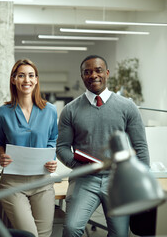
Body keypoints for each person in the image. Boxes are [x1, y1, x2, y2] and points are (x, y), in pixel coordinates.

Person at [56, 55, 150, 237]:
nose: (93, 75)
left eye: (98, 70)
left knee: (120, 233)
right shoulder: (70, 110)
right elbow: (62, 147)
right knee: (72, 228)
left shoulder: (128, 107)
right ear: (82, 76)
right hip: (84, 180)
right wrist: (80, 167)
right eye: (87, 72)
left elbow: (140, 147)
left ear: (107, 73)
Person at [0, 59, 58, 237]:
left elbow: (53, 139)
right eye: (21, 75)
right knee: (28, 235)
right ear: (13, 80)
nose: (26, 80)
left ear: (36, 79)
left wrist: (52, 159)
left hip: (42, 183)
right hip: (14, 184)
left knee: (44, 235)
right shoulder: (1, 112)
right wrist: (2, 154)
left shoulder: (50, 110)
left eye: (30, 75)